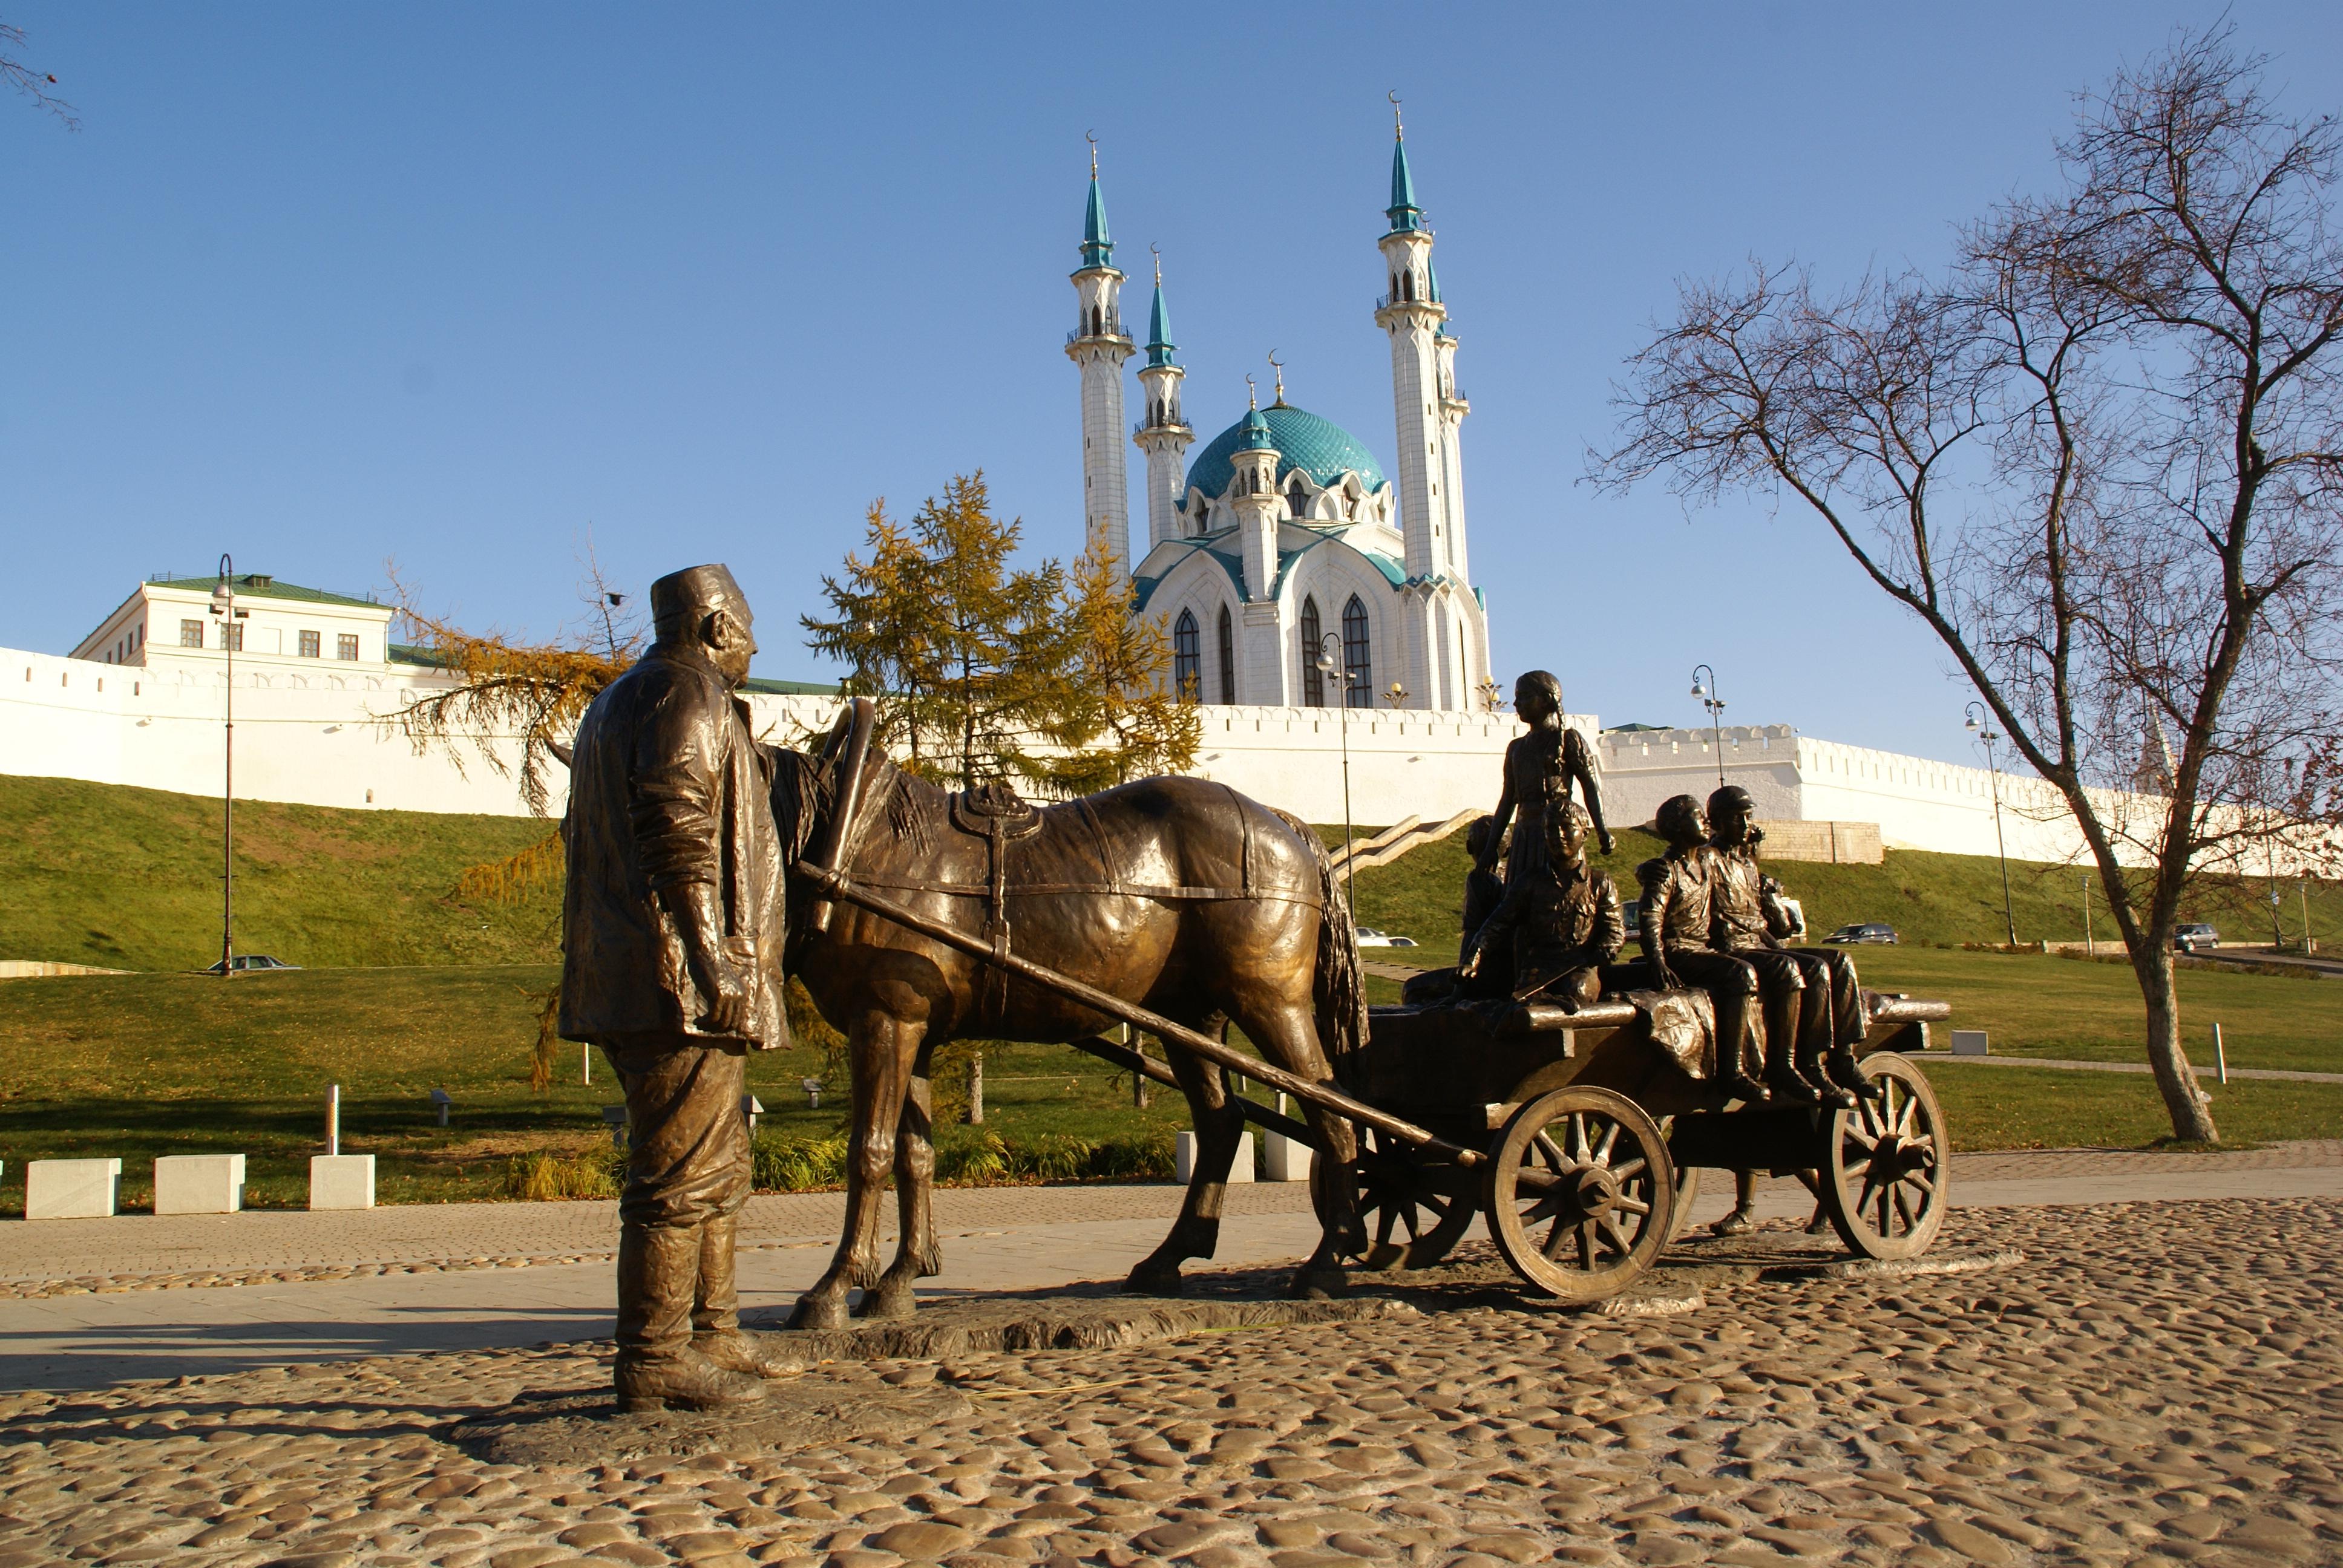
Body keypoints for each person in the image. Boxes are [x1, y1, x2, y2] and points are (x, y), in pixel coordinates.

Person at [559, 563, 796, 1413]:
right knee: (680, 1177)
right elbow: (679, 835)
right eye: (746, 626)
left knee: (719, 1167)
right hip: (678, 985)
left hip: (649, 975)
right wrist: (714, 961)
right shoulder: (687, 699)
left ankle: (714, 1334)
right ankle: (655, 1355)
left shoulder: (615, 702)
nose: (757, 644)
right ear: (712, 626)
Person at [1705, 785, 1879, 1106]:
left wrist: (1780, 946)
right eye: (1736, 819)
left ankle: (1842, 1058)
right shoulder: (1708, 861)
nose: (1745, 826)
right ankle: (1800, 1064)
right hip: (1730, 948)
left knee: (1839, 960)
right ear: (1716, 822)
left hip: (1758, 945)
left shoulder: (1746, 866)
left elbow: (1758, 921)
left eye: (1748, 818)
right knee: (1810, 969)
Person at [1635, 795, 1769, 1103]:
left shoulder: (1703, 866)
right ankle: (1732, 1071)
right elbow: (1651, 920)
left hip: (1702, 950)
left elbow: (1736, 869)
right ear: (1677, 828)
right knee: (1742, 974)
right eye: (1698, 816)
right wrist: (1657, 960)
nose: (1706, 821)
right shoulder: (1667, 870)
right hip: (1679, 951)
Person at [1461, 802, 1623, 1011]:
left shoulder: (1600, 882)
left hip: (1578, 966)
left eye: (1567, 827)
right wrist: (1472, 960)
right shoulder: (1529, 882)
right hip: (1539, 968)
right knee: (1521, 1002)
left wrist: (1608, 947)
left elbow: (1615, 929)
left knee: (1578, 991)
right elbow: (1497, 924)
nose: (1559, 835)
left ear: (1585, 833)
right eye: (1551, 829)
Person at [1479, 672, 1614, 912]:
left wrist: (1602, 830)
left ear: (1546, 700)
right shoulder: (1517, 748)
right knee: (1519, 906)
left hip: (1558, 834)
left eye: (1524, 697)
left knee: (1560, 900)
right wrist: (1491, 848)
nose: (1517, 704)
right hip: (1525, 835)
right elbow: (1507, 801)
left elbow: (1590, 786)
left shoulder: (1568, 740)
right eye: (1516, 697)